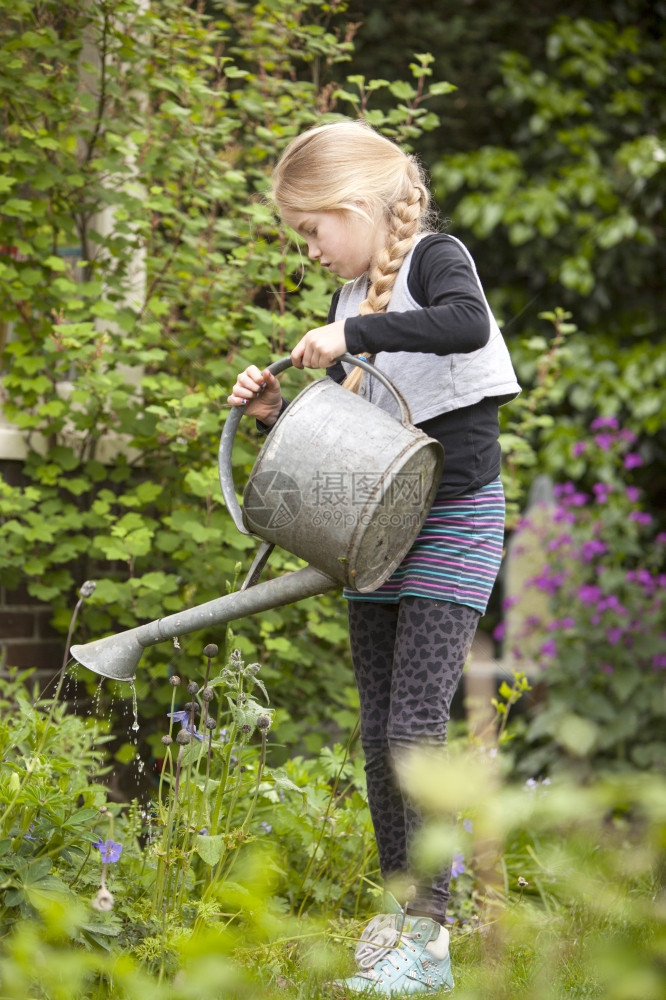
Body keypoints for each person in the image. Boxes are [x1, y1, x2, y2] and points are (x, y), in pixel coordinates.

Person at [227, 119, 520, 996]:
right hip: (376, 533)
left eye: (312, 231)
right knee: (376, 732)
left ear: (356, 207)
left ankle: (430, 938)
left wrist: (356, 340)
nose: (309, 250)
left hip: (456, 520)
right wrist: (280, 413)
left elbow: (466, 327)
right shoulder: (349, 301)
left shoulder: (435, 258)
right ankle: (404, 912)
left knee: (414, 732)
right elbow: (349, 439)